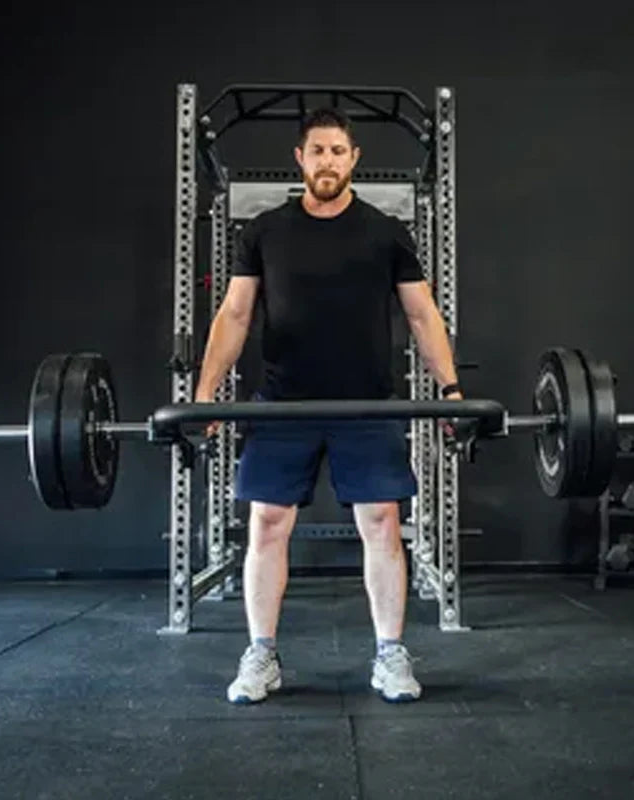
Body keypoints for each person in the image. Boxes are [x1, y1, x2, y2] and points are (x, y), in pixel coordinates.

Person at [194, 107, 462, 704]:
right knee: (266, 525)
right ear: (300, 158)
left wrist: (449, 390)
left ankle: (390, 655)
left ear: (354, 160)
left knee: (382, 524)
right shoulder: (264, 231)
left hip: (366, 405)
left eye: (338, 152)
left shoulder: (386, 232)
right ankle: (261, 653)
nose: (327, 162)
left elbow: (421, 314)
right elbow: (235, 314)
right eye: (317, 151)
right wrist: (205, 394)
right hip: (283, 403)